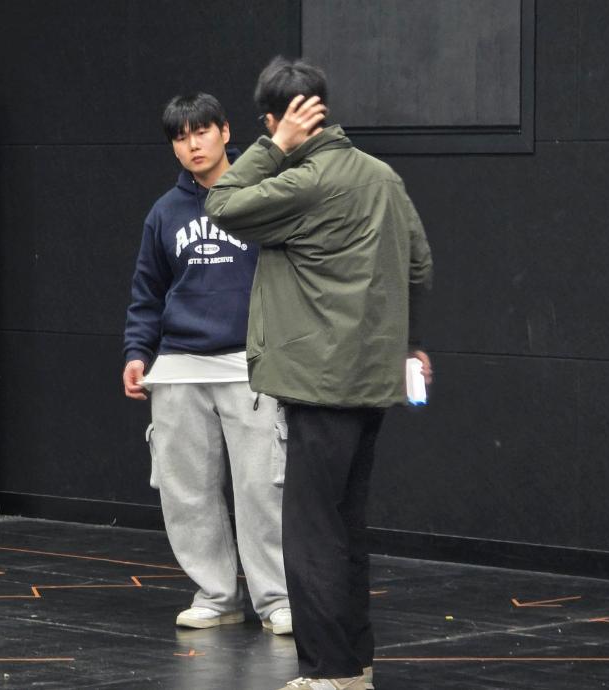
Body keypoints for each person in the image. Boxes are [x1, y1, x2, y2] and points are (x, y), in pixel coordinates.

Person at [206, 58, 433, 690]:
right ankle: (354, 667)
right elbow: (420, 266)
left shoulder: (304, 182)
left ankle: (328, 672)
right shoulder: (383, 177)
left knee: (310, 534)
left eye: (271, 126)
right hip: (371, 383)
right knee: (346, 528)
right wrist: (412, 343)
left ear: (275, 120)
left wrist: (272, 148)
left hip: (317, 384)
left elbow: (221, 202)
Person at [123, 93, 291, 636]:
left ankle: (276, 599)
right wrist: (137, 353)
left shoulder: (261, 195)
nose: (192, 145)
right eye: (180, 137)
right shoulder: (164, 213)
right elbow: (147, 292)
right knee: (186, 490)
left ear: (224, 131)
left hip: (249, 363)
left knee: (261, 489)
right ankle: (216, 595)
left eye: (201, 132)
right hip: (179, 366)